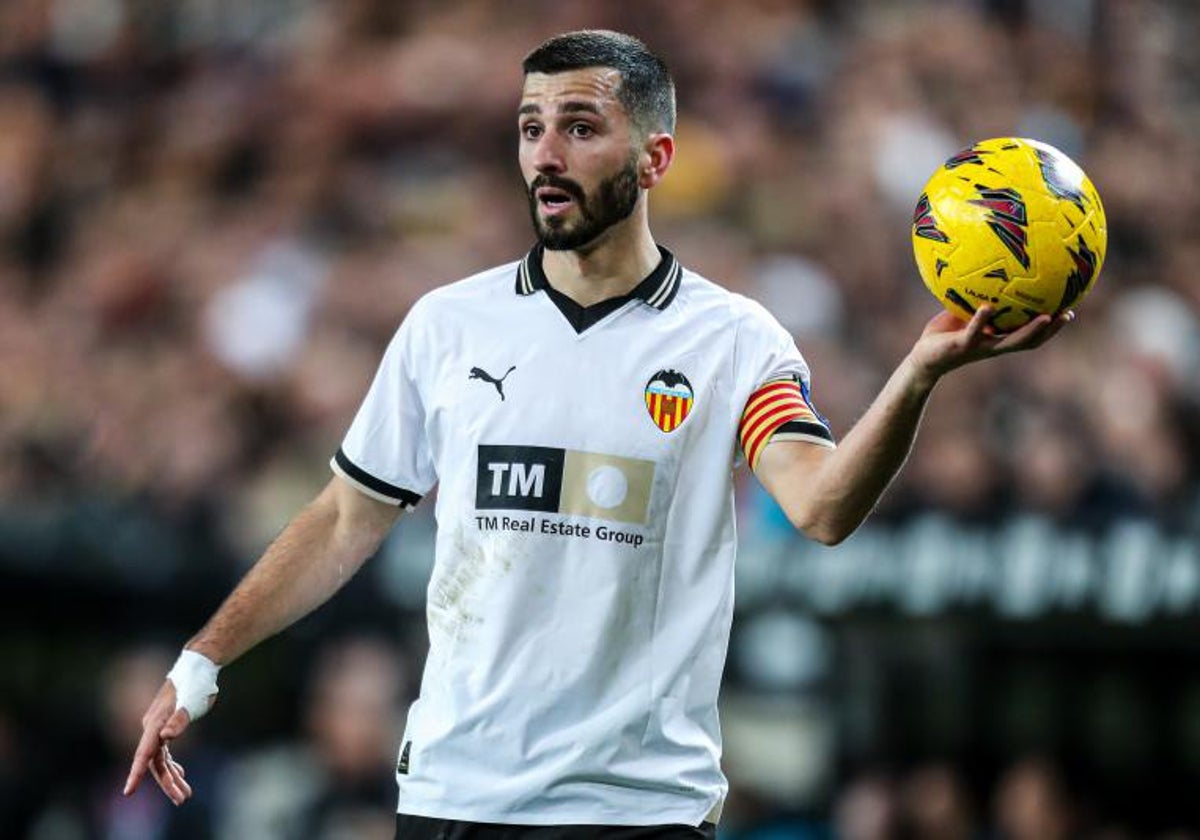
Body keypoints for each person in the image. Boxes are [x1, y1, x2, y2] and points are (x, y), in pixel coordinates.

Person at [124, 29, 1069, 838]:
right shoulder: (448, 326)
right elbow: (342, 520)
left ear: (655, 158)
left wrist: (916, 376)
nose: (545, 154)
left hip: (637, 810)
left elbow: (821, 507)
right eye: (531, 128)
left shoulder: (733, 340)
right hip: (458, 797)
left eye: (580, 128)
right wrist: (201, 663)